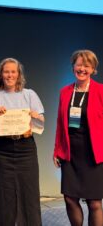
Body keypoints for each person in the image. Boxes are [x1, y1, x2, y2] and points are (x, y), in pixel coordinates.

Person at [0, 57, 44, 226]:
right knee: (2, 193)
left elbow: (41, 122)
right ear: (0, 74)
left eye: (13, 71)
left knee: (29, 192)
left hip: (26, 148)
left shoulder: (29, 94)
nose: (10, 75)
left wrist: (35, 116)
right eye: (6, 71)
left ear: (19, 74)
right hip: (3, 149)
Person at [53, 49, 103, 226]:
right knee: (69, 198)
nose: (82, 69)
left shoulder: (100, 91)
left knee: (94, 202)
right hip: (70, 151)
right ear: (73, 66)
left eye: (87, 66)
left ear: (93, 69)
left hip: (94, 153)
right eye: (79, 64)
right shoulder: (65, 92)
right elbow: (60, 123)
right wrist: (57, 150)